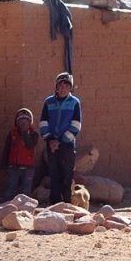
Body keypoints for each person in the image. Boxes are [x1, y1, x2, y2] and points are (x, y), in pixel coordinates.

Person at [39, 72, 82, 204]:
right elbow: (43, 123)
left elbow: (76, 125)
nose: (63, 89)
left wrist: (61, 141)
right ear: (56, 87)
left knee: (67, 174)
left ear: (70, 88)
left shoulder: (74, 103)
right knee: (54, 173)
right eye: (60, 86)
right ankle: (55, 204)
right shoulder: (48, 102)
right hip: (51, 144)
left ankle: (67, 204)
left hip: (67, 144)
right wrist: (50, 139)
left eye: (66, 86)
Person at [0, 108, 39, 201]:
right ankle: (7, 207)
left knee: (26, 190)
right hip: (13, 166)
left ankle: (26, 209)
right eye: (21, 121)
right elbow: (7, 149)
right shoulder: (12, 134)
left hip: (28, 167)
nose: (23, 123)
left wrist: (25, 132)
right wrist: (3, 164)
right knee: (10, 188)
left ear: (30, 123)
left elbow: (30, 145)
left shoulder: (34, 134)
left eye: (26, 121)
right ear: (16, 122)